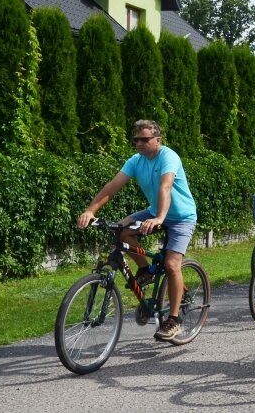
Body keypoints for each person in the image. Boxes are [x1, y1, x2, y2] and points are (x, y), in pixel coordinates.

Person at [77, 120, 197, 342]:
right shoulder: (136, 161)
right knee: (121, 231)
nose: (139, 143)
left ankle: (173, 319)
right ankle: (146, 271)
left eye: (145, 139)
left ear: (158, 140)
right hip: (154, 211)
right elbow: (112, 186)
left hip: (181, 218)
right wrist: (90, 210)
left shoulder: (168, 156)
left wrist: (160, 217)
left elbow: (166, 186)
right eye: (136, 140)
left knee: (171, 264)